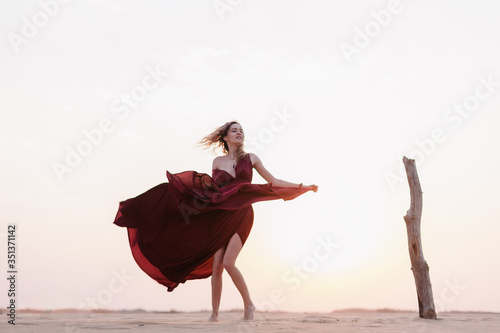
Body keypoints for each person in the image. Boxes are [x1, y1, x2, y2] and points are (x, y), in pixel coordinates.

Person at [113, 120, 318, 322]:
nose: (239, 133)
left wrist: (302, 186)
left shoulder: (251, 158)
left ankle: (249, 304)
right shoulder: (217, 162)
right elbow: (213, 189)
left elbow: (274, 182)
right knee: (217, 267)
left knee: (229, 263)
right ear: (226, 137)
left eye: (241, 131)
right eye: (234, 131)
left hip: (241, 214)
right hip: (221, 215)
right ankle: (215, 314)